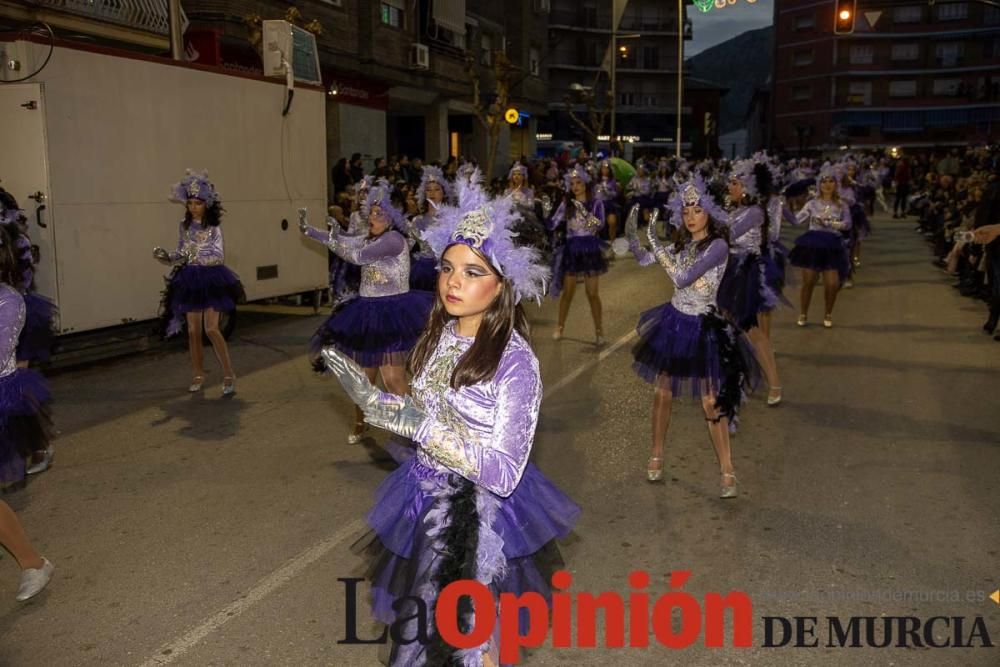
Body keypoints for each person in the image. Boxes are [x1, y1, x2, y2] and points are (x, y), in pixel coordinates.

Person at [322, 173, 578, 666]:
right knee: (420, 642)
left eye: (473, 272)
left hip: (477, 522)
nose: (453, 282)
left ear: (503, 285)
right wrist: (383, 408)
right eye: (447, 268)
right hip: (425, 505)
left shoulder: (514, 361)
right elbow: (426, 413)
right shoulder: (439, 334)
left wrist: (420, 428)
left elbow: (504, 473)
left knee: (476, 647)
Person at [626, 178, 755, 497]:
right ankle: (656, 454)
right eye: (686, 211)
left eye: (697, 210)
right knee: (662, 393)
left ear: (709, 213)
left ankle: (727, 470)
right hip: (673, 323)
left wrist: (656, 242)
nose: (691, 217)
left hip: (702, 326)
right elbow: (644, 258)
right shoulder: (681, 245)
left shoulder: (718, 246)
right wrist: (633, 229)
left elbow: (683, 278)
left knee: (711, 400)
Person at [300, 180, 433, 443]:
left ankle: (419, 433)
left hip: (392, 312)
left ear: (392, 218)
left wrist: (334, 241)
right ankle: (363, 422)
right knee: (364, 377)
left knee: (393, 378)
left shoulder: (393, 240)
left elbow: (357, 256)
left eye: (379, 213)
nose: (373, 217)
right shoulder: (374, 237)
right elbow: (345, 240)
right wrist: (310, 231)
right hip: (369, 311)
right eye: (371, 212)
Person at [154, 170, 243, 396]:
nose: (193, 207)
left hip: (211, 279)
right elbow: (181, 252)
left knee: (211, 328)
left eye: (198, 203)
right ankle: (197, 372)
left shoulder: (213, 229)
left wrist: (197, 256)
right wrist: (169, 256)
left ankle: (228, 373)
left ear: (207, 205)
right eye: (191, 203)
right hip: (190, 280)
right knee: (193, 331)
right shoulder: (184, 227)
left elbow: (218, 255)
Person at [788, 165, 852, 328]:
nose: (827, 184)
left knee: (832, 283)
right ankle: (803, 312)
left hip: (832, 245)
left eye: (831, 181)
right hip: (812, 244)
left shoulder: (841, 204)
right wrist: (781, 210)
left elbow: (848, 224)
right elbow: (796, 220)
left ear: (836, 184)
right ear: (819, 185)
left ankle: (828, 313)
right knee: (808, 281)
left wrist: (832, 223)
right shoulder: (812, 204)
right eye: (824, 181)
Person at [549, 165, 607, 345]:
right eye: (572, 184)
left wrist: (584, 211)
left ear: (585, 184)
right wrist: (545, 212)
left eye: (579, 183)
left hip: (590, 248)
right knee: (568, 292)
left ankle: (599, 331)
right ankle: (559, 326)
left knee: (592, 293)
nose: (575, 186)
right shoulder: (567, 204)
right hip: (572, 250)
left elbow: (599, 225)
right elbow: (553, 223)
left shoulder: (596, 203)